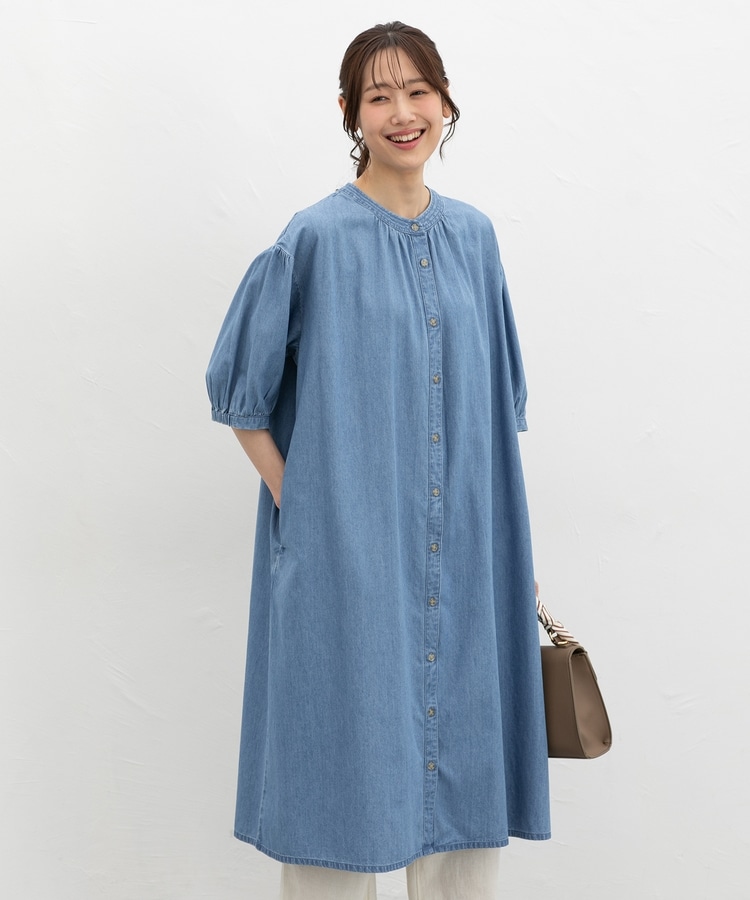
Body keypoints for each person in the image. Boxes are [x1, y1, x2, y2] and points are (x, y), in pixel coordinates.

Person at [206, 21, 550, 900]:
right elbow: (239, 394)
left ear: (445, 100)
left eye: (418, 92)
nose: (403, 113)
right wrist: (305, 504)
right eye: (379, 96)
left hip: (466, 554)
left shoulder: (476, 238)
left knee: (464, 818)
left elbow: (498, 405)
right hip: (346, 567)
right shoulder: (314, 238)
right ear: (350, 112)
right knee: (337, 796)